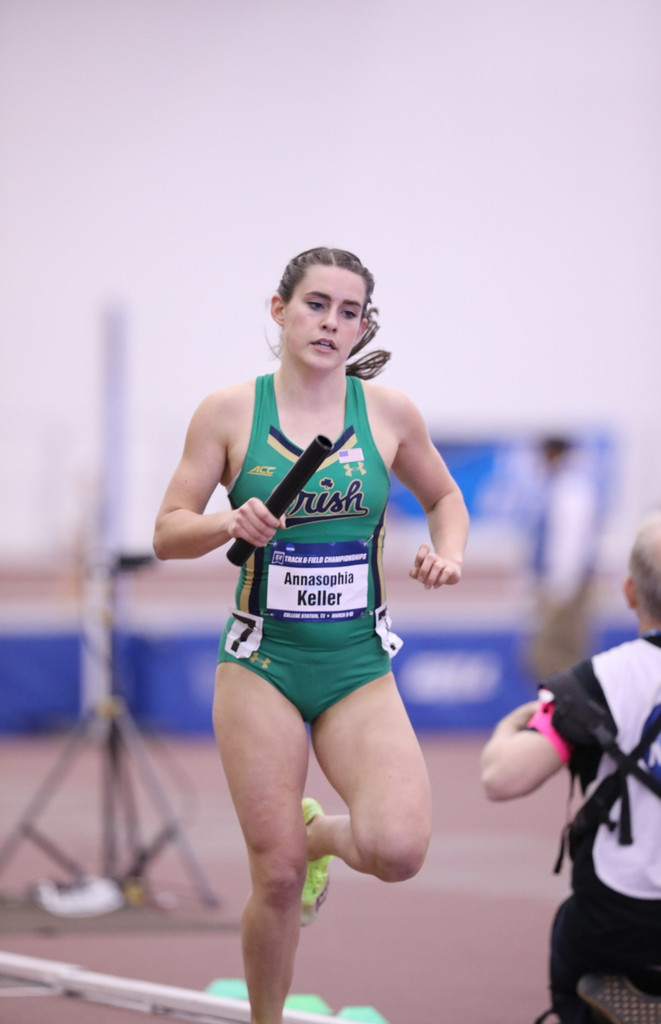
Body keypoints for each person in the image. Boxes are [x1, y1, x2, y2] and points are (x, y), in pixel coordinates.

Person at [153, 247, 469, 1024]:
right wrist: (229, 520)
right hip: (262, 663)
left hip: (357, 665)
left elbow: (446, 497)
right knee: (277, 876)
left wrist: (447, 553)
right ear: (279, 310)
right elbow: (166, 532)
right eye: (316, 304)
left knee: (397, 850)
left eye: (349, 311)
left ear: (364, 325)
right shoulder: (228, 413)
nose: (332, 322)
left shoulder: (388, 414)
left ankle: (319, 832)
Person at [480, 509, 661, 1024]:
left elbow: (502, 780)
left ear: (630, 592)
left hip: (622, 915)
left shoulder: (596, 682)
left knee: (573, 945)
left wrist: (511, 726)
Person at [526, 436, 602, 683]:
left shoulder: (571, 489)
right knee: (550, 652)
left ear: (554, 454)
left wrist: (560, 587)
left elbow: (570, 541)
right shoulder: (557, 487)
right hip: (560, 583)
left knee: (557, 652)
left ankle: (561, 712)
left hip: (566, 585)